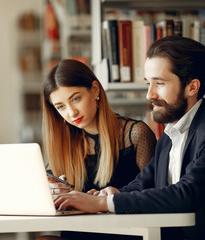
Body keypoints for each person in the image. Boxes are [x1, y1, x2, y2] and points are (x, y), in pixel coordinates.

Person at [52, 36, 205, 240]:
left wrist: (102, 204)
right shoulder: (169, 137)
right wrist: (108, 194)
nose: (149, 95)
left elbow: (185, 194)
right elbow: (145, 182)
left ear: (192, 87)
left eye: (159, 83)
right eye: (148, 84)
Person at [40, 59, 157, 240]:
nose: (72, 113)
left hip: (125, 232)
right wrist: (52, 190)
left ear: (95, 90)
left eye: (76, 99)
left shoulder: (134, 134)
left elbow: (153, 195)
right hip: (78, 233)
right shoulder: (65, 143)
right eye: (61, 107)